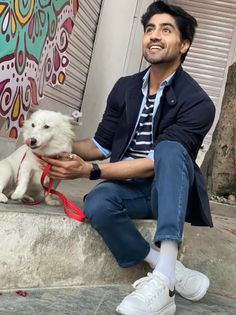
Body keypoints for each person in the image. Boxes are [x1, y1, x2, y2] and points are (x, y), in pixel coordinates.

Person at [42, 1, 215, 314]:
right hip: (130, 186)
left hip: (170, 188)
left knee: (170, 150)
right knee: (97, 204)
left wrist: (92, 171)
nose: (154, 36)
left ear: (184, 44)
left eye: (166, 30)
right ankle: (166, 266)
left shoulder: (199, 103)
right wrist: (56, 139)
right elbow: (101, 144)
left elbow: (154, 162)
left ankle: (163, 284)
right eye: (149, 29)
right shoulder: (125, 88)